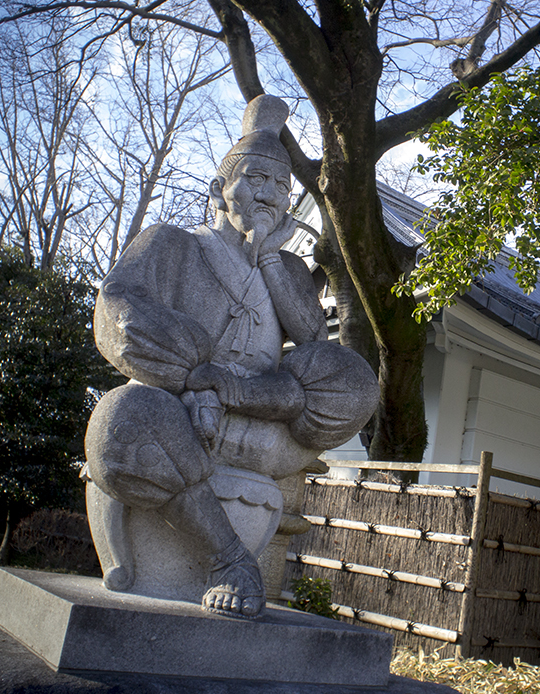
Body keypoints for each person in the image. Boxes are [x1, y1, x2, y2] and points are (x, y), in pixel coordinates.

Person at [83, 95, 378, 619]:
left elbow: (314, 346)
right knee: (121, 422)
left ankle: (223, 391)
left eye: (282, 187)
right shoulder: (172, 243)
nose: (269, 195)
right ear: (220, 189)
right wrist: (190, 373)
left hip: (259, 422)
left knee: (354, 378)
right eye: (256, 179)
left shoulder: (286, 270)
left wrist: (267, 258)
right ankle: (228, 559)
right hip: (176, 419)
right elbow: (117, 306)